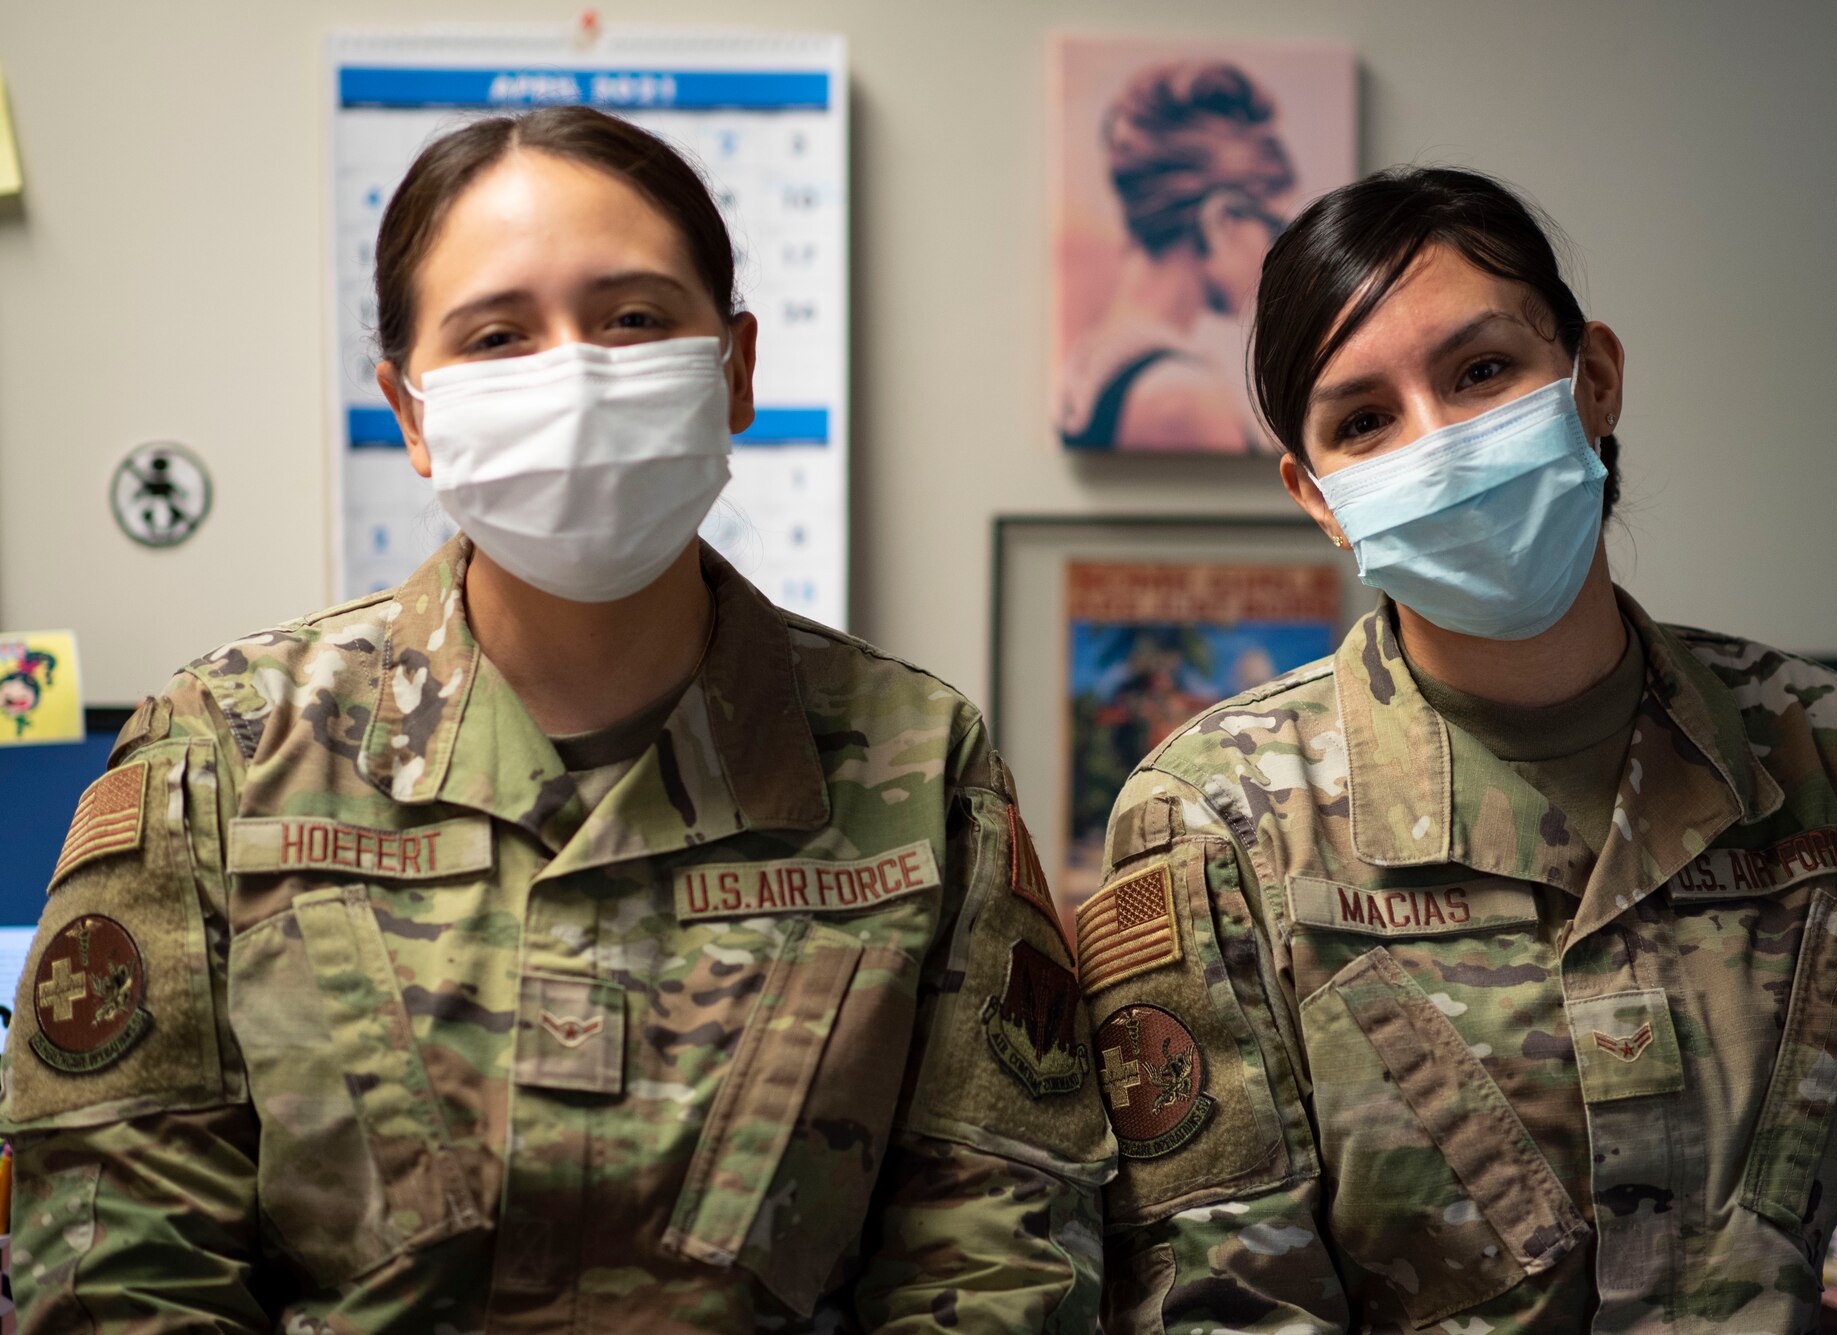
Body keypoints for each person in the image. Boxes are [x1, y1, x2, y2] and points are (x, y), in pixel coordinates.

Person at [0, 106, 1111, 1331]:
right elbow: (121, 1272)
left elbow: (996, 1257)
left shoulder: (914, 762)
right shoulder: (223, 752)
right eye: (496, 335)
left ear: (734, 370)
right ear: (412, 414)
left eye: (633, 318)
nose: (572, 373)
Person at [1077, 166, 1837, 1331]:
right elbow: (1219, 1303)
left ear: (1592, 380)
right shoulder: (1221, 823)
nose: (1441, 445)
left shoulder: (1821, 753)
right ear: (1316, 498)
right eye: (1363, 420)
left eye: (1480, 372)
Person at [1058, 61, 1294, 452]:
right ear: (1222, 221)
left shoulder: (1095, 356)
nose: (1276, 253)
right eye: (1274, 228)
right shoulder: (1183, 397)